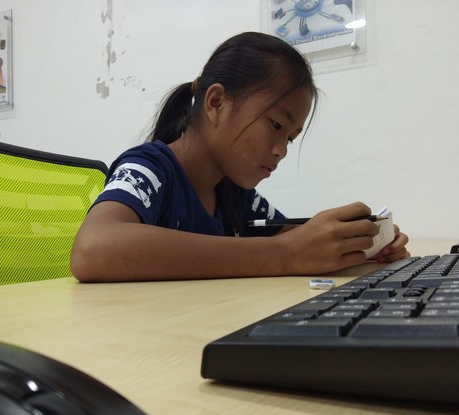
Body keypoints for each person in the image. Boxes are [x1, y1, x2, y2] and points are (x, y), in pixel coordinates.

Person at [70, 31, 409, 282]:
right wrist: (284, 255)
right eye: (276, 125)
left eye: (290, 139)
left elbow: (295, 241)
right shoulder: (149, 170)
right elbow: (93, 249)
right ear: (216, 103)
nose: (281, 151)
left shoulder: (237, 196)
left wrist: (360, 246)